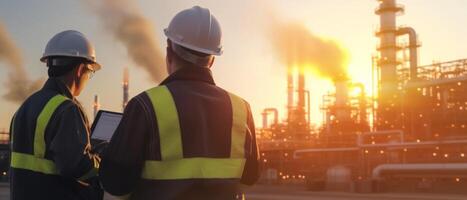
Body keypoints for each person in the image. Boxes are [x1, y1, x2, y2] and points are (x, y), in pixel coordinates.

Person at [99, 6, 260, 200]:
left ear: (169, 52)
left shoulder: (145, 106)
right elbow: (250, 177)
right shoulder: (241, 109)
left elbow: (116, 184)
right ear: (212, 61)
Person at [9, 30, 104, 200]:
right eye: (90, 72)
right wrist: (102, 161)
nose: (88, 78)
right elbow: (77, 167)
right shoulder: (67, 109)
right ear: (80, 69)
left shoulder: (25, 106)